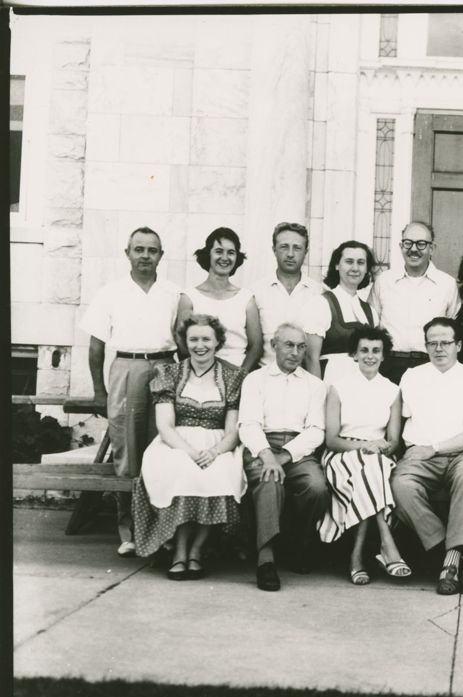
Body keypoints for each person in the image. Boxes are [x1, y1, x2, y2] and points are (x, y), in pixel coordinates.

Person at [80, 227, 180, 556]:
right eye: (139, 249)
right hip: (127, 367)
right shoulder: (111, 292)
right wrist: (99, 391)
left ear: (161, 255)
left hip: (165, 368)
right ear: (127, 253)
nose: (145, 256)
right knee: (127, 451)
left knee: (162, 448)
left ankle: (161, 529)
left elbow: (184, 339)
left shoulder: (173, 293)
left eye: (152, 250)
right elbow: (96, 347)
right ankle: (130, 531)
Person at [131, 314, 247, 577]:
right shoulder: (169, 373)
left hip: (218, 443)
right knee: (181, 470)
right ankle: (180, 552)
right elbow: (165, 426)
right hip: (175, 443)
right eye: (193, 339)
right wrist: (190, 452)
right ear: (184, 342)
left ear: (218, 342)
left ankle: (196, 549)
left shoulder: (233, 375)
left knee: (221, 471)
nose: (200, 345)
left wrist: (215, 452)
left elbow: (233, 429)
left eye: (206, 339)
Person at [391, 317, 463, 595]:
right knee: (400, 485)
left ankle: (449, 562)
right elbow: (400, 422)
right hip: (420, 455)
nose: (438, 349)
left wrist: (435, 447)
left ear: (458, 345)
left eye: (445, 342)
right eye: (432, 343)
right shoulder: (412, 376)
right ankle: (454, 555)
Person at [237, 323, 330, 591]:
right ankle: (266, 560)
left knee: (316, 487)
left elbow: (316, 431)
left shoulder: (315, 385)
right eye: (289, 345)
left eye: (301, 347)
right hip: (262, 445)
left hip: (298, 450)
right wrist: (267, 457)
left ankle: (298, 546)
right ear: (274, 345)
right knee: (269, 481)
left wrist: (285, 457)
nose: (295, 352)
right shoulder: (255, 379)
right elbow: (248, 424)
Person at [318, 326, 409, 584]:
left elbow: (393, 442)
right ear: (354, 355)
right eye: (364, 350)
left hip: (379, 456)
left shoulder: (392, 390)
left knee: (372, 468)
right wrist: (364, 447)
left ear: (383, 356)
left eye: (376, 351)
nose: (370, 356)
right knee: (372, 468)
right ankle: (386, 543)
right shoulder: (338, 388)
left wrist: (377, 448)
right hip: (341, 456)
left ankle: (356, 556)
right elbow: (332, 439)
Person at [369, 221, 459, 384]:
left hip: (430, 365)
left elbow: (453, 328)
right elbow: (372, 324)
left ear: (432, 248)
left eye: (421, 244)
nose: (414, 249)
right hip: (389, 364)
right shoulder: (384, 281)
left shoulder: (447, 284)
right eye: (408, 243)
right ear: (401, 246)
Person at [177, 227, 262, 373]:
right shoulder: (189, 297)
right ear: (208, 254)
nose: (225, 257)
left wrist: (239, 377)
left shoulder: (247, 299)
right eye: (218, 251)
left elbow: (256, 346)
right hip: (198, 376)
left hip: (237, 375)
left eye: (231, 252)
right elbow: (182, 344)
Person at [252, 222, 330, 376]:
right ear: (274, 250)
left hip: (303, 381)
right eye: (284, 247)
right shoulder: (255, 292)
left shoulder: (319, 293)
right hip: (265, 378)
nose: (290, 254)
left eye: (297, 248)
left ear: (305, 252)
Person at [318, 240, 377, 376]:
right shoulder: (322, 304)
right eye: (349, 261)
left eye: (361, 263)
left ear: (367, 268)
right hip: (330, 383)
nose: (355, 268)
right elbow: (311, 358)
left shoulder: (370, 312)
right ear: (337, 265)